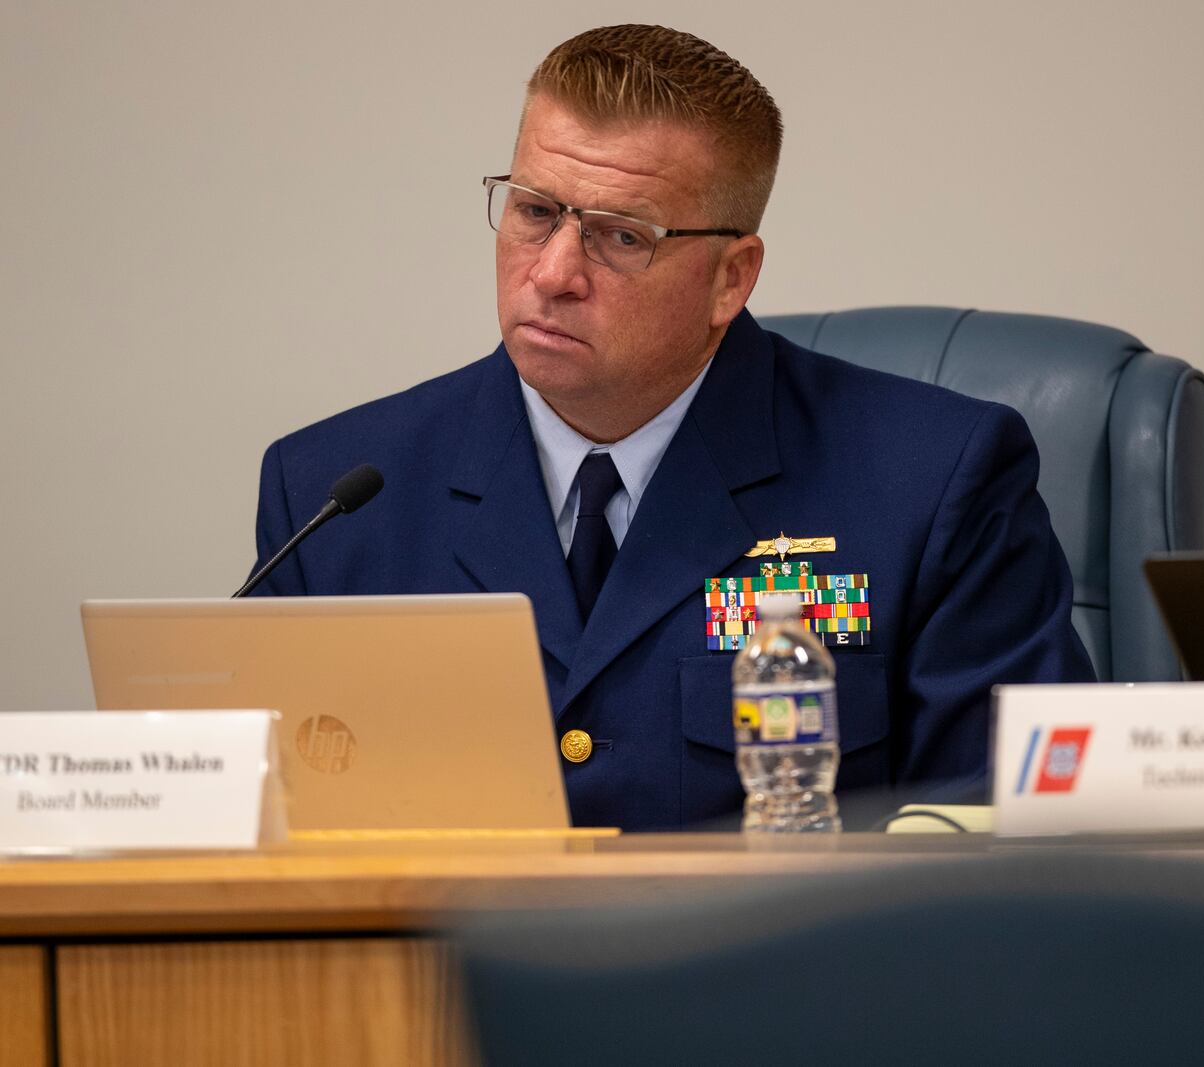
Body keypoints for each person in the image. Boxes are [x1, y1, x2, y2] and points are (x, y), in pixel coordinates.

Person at [249, 24, 1096, 831]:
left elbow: (1014, 834)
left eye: (621, 236)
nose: (553, 273)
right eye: (535, 211)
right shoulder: (334, 497)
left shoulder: (934, 481)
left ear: (732, 278)